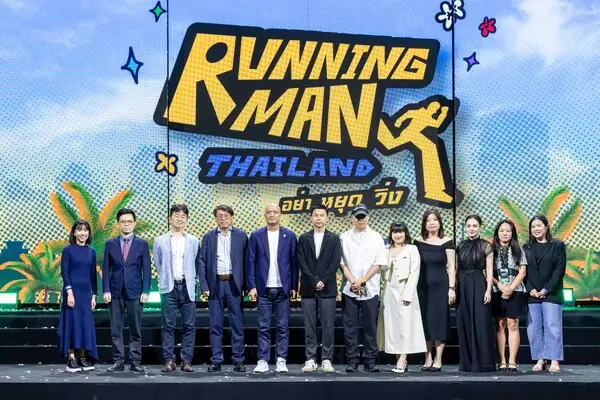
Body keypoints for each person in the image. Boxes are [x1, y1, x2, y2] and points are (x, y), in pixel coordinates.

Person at [247, 203, 298, 373]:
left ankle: (281, 360)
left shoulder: (289, 235)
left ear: (280, 215)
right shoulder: (256, 235)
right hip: (263, 289)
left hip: (283, 289)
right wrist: (252, 286)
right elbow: (250, 262)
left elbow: (294, 263)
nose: (272, 214)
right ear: (264, 215)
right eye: (269, 212)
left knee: (282, 327)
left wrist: (294, 286)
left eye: (275, 212)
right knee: (263, 327)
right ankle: (263, 360)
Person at [198, 205, 248, 373]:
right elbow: (202, 262)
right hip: (215, 285)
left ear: (232, 217)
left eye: (226, 215)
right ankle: (216, 360)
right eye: (220, 216)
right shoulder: (208, 237)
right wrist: (204, 285)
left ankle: (238, 360)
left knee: (237, 325)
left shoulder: (241, 235)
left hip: (234, 284)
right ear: (215, 219)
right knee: (215, 325)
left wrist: (247, 286)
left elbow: (247, 262)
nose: (223, 218)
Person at [102, 208, 151, 372]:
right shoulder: (110, 243)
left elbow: (147, 269)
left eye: (129, 221)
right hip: (115, 291)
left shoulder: (142, 244)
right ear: (118, 224)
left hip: (135, 291)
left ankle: (135, 361)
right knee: (116, 329)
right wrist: (106, 290)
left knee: (135, 328)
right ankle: (118, 361)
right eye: (123, 221)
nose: (126, 224)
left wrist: (146, 291)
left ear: (134, 223)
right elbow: (106, 268)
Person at [153, 204, 200, 372]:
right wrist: (166, 279)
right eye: (176, 215)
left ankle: (186, 361)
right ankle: (169, 360)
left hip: (188, 287)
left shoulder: (194, 241)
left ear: (187, 219)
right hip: (169, 288)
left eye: (183, 216)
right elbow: (158, 263)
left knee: (189, 326)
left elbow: (197, 263)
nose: (179, 219)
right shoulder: (160, 241)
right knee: (168, 325)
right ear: (169, 218)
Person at [340, 204, 387, 373]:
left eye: (363, 217)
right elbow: (342, 263)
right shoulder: (343, 237)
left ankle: (370, 361)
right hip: (349, 288)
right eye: (357, 217)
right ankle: (352, 361)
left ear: (368, 218)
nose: (361, 220)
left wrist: (362, 281)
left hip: (370, 288)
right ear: (352, 219)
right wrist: (354, 281)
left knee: (370, 327)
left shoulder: (376, 237)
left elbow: (379, 263)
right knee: (350, 328)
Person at [297, 204, 341, 373]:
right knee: (310, 326)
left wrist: (322, 280)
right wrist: (314, 281)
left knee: (328, 326)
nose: (319, 218)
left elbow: (335, 262)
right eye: (316, 215)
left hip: (328, 288)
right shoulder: (303, 238)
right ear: (311, 218)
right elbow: (301, 261)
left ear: (327, 218)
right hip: (308, 288)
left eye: (322, 215)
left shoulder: (334, 238)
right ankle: (310, 359)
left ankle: (327, 359)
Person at [378, 222, 426, 373]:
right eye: (395, 232)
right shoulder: (385, 249)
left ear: (406, 233)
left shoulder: (412, 249)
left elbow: (414, 273)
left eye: (400, 232)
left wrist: (408, 294)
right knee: (392, 327)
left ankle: (403, 359)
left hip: (405, 291)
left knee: (405, 326)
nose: (398, 235)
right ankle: (399, 359)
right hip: (389, 292)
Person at [414, 208, 455, 372]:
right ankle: (428, 357)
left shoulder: (447, 241)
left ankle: (438, 358)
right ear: (424, 224)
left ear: (439, 222)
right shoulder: (417, 242)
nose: (432, 223)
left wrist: (451, 288)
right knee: (425, 322)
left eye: (434, 219)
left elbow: (451, 266)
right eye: (428, 220)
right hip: (422, 287)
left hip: (441, 286)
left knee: (439, 321)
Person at [523, 214, 566, 373]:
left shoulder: (558, 245)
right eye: (533, 227)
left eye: (539, 225)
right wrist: (531, 289)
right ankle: (540, 359)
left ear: (546, 227)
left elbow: (559, 269)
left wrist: (546, 289)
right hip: (532, 293)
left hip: (552, 292)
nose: (536, 229)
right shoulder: (526, 247)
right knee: (534, 328)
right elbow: (523, 271)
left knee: (552, 326)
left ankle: (554, 359)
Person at [58, 220, 98, 373]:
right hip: (72, 293)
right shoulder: (68, 250)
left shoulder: (91, 251)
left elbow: (93, 275)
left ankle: (82, 357)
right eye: (79, 230)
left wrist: (94, 295)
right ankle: (71, 358)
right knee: (72, 324)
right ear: (74, 233)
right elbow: (65, 272)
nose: (83, 233)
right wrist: (69, 292)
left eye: (85, 230)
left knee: (84, 325)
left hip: (86, 293)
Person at [455, 214, 495, 372]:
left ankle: (483, 363)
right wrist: (454, 289)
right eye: (469, 226)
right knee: (464, 322)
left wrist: (488, 290)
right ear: (465, 228)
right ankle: (467, 363)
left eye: (474, 226)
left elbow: (489, 271)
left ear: (480, 227)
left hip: (479, 283)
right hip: (463, 284)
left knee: (480, 323)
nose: (471, 229)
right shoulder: (460, 246)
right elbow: (456, 269)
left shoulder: (486, 246)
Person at [491, 219, 527, 372]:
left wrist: (510, 288)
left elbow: (522, 272)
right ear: (497, 233)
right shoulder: (491, 249)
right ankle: (502, 361)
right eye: (502, 231)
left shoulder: (519, 249)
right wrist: (500, 286)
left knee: (512, 324)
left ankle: (512, 361)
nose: (505, 233)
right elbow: (487, 272)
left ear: (512, 233)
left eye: (508, 231)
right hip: (496, 289)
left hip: (515, 290)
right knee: (500, 324)